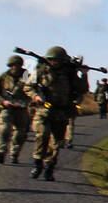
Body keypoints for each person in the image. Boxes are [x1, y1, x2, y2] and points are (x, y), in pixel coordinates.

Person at [29, 47, 89, 180]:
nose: (54, 62)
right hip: (43, 111)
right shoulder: (40, 71)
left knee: (56, 143)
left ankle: (49, 168)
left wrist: (84, 75)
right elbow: (28, 87)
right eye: (52, 59)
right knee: (42, 136)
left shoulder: (69, 73)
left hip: (61, 112)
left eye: (57, 60)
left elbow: (82, 89)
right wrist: (36, 97)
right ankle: (37, 163)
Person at [0, 55, 32, 164]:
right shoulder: (3, 77)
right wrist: (2, 101)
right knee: (5, 129)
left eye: (17, 65)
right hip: (6, 107)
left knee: (20, 133)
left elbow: (33, 91)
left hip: (21, 109)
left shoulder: (27, 76)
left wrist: (26, 102)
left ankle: (14, 153)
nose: (15, 67)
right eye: (13, 65)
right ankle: (1, 152)